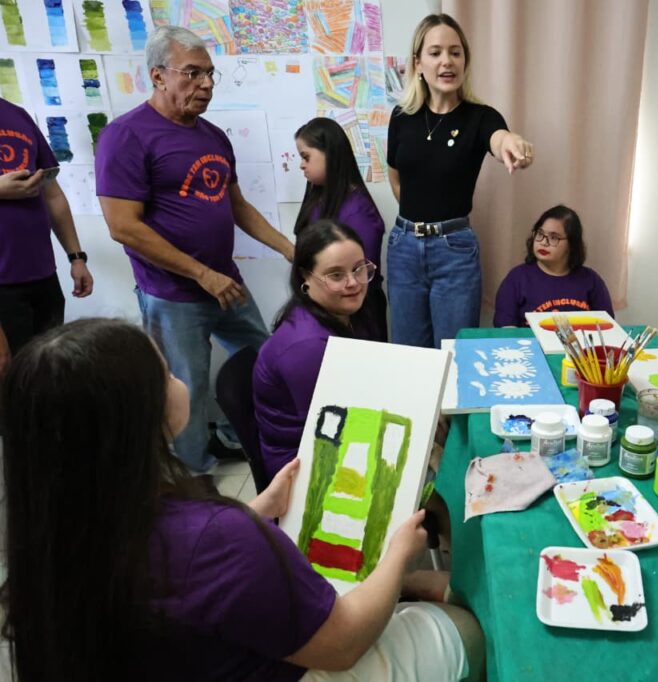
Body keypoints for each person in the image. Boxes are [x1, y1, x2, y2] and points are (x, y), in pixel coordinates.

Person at [0, 318, 482, 681]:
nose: (180, 381)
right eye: (166, 374)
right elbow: (343, 645)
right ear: (136, 419)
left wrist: (257, 509)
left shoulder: (55, 530)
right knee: (466, 631)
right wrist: (397, 554)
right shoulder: (217, 538)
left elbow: (177, 572)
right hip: (308, 656)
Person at [95, 25, 294, 473]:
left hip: (225, 283)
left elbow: (238, 206)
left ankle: (238, 434)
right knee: (186, 387)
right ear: (158, 75)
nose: (205, 84)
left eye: (209, 74)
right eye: (192, 73)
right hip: (174, 294)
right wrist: (201, 274)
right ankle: (193, 479)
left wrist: (289, 248)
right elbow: (123, 227)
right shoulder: (126, 136)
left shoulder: (213, 136)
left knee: (265, 361)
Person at [387, 13, 535, 348]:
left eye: (455, 52)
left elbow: (499, 137)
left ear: (465, 61)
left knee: (455, 352)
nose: (447, 61)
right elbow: (396, 179)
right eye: (435, 52)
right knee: (408, 352)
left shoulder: (480, 117)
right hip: (403, 248)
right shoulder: (401, 117)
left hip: (454, 251)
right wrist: (418, 223)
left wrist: (513, 144)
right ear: (418, 62)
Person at [254, 220, 379, 479]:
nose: (353, 283)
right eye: (336, 275)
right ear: (305, 276)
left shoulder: (347, 312)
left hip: (334, 438)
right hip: (302, 468)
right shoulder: (306, 347)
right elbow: (332, 432)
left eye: (359, 268)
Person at [0, 97, 94, 376]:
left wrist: (76, 257)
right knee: (9, 377)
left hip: (42, 277)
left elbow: (52, 193)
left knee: (47, 374)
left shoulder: (17, 115)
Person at [294, 117, 388, 340]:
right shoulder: (318, 199)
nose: (301, 165)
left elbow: (358, 279)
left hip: (356, 315)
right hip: (323, 308)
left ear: (330, 155)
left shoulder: (359, 211)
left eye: (306, 157)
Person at [493, 205, 613, 327]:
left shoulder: (591, 280)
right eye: (540, 234)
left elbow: (607, 326)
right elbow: (505, 329)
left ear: (572, 244)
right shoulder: (517, 278)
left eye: (554, 237)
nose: (544, 242)